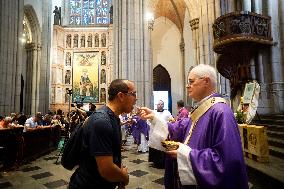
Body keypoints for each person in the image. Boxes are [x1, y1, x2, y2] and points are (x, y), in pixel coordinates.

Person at [139, 64, 249, 189]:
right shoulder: (203, 109)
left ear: (206, 81)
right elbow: (181, 128)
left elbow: (227, 161)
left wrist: (185, 154)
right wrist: (154, 117)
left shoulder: (221, 112)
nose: (188, 86)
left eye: (191, 82)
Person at [68, 79, 137, 189]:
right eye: (133, 94)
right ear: (121, 96)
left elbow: (112, 155)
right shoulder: (102, 121)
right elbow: (106, 170)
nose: (136, 98)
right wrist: (124, 177)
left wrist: (118, 178)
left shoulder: (113, 118)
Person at [148, 100, 173, 168]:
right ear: (157, 105)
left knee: (162, 147)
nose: (160, 105)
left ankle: (162, 162)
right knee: (155, 146)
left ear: (163, 105)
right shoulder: (153, 112)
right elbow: (148, 121)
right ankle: (155, 162)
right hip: (154, 132)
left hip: (163, 133)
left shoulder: (167, 112)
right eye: (159, 104)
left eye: (161, 104)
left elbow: (171, 120)